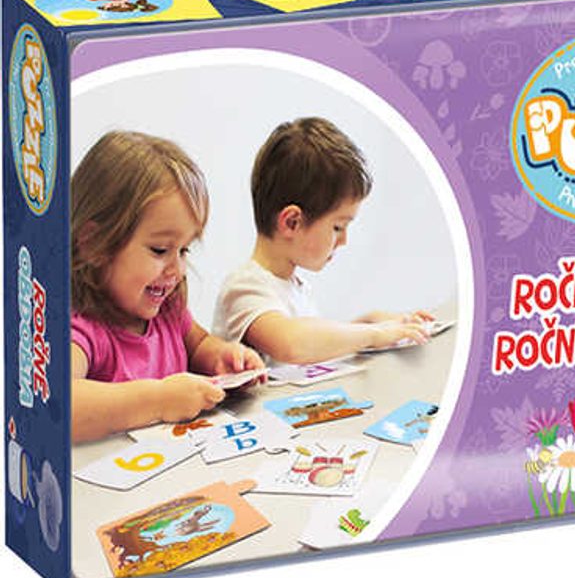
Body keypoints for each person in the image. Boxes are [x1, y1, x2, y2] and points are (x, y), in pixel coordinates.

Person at [70, 131, 265, 442]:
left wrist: (222, 357)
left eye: (184, 250)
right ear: (94, 243)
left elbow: (199, 345)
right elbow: (62, 405)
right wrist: (159, 400)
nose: (177, 270)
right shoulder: (80, 330)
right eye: (160, 250)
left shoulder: (167, 310)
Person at [213, 117, 432, 364]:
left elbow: (318, 346)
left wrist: (375, 322)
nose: (343, 240)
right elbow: (293, 345)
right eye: (338, 227)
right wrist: (374, 334)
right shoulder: (244, 288)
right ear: (292, 222)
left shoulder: (296, 287)